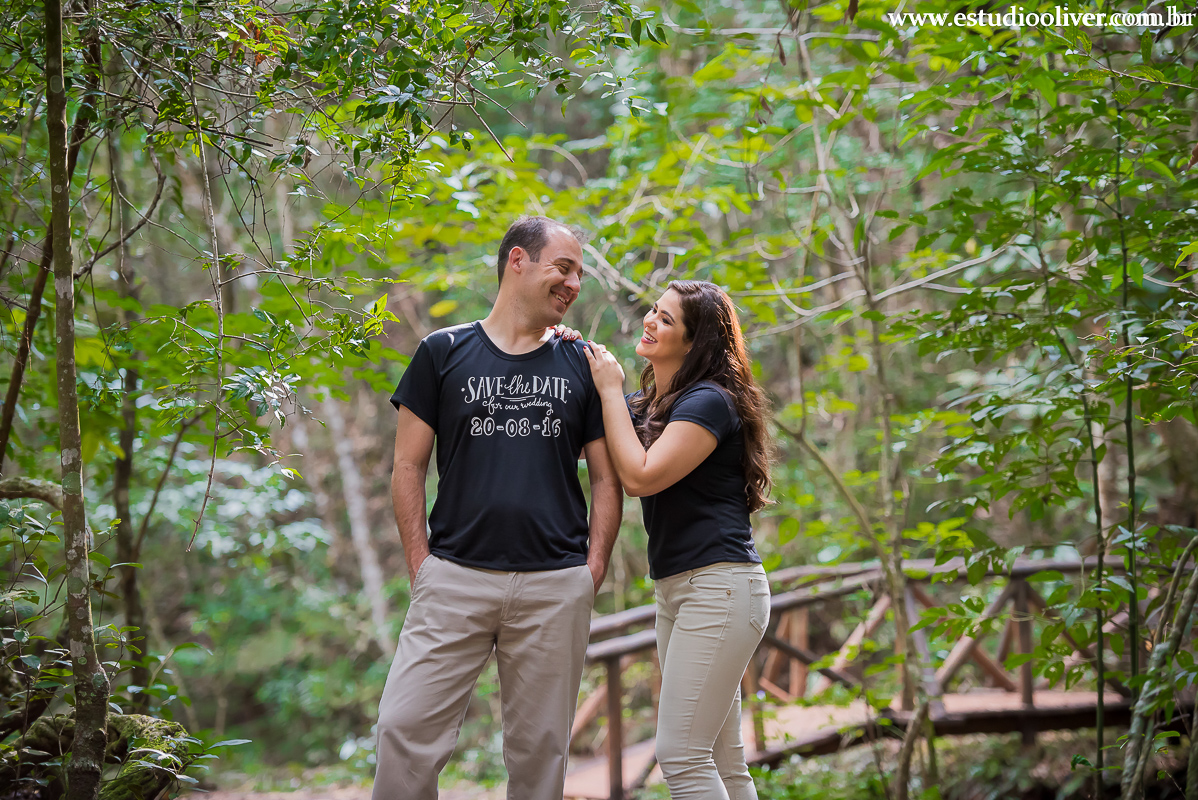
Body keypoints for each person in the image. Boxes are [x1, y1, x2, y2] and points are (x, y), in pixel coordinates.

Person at [372, 215, 623, 800]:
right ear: (517, 261)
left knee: (540, 758)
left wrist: (592, 572)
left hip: (554, 586)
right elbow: (407, 466)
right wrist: (421, 565)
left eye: (580, 274)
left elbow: (608, 479)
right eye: (563, 268)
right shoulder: (441, 352)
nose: (573, 283)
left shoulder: (581, 364)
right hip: (454, 578)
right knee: (402, 732)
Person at [582, 280, 773, 800]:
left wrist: (605, 390)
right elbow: (592, 441)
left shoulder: (710, 401)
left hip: (720, 588)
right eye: (654, 310)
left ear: (693, 343)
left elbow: (641, 476)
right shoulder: (648, 405)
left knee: (683, 757)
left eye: (666, 320)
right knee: (723, 761)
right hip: (681, 591)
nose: (650, 320)